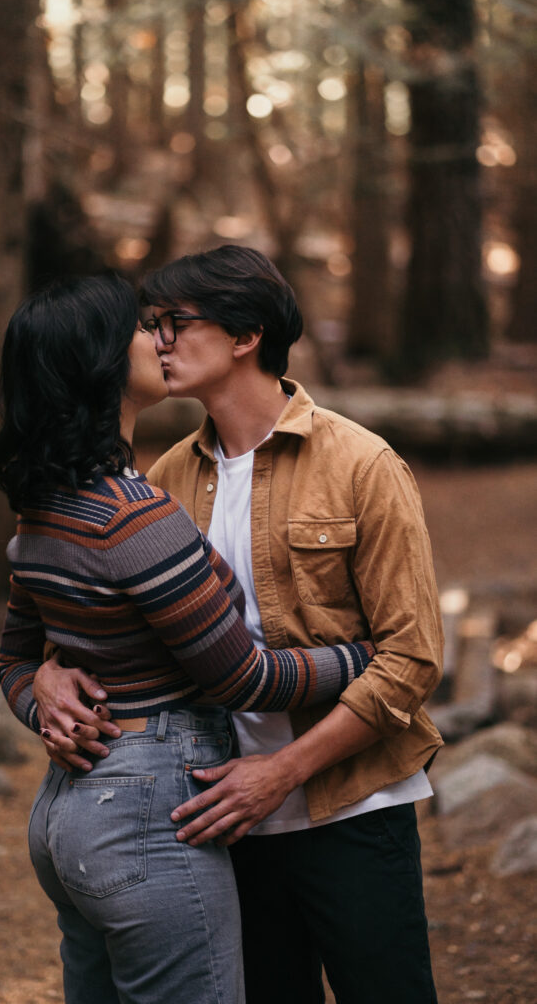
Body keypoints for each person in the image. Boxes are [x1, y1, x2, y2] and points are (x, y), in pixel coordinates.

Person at [35, 246, 444, 1004]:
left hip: (351, 810)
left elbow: (411, 661)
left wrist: (282, 772)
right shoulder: (162, 481)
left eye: (172, 322)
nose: (155, 340)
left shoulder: (362, 464)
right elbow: (97, 628)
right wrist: (44, 672)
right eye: (149, 325)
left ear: (245, 334)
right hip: (216, 820)